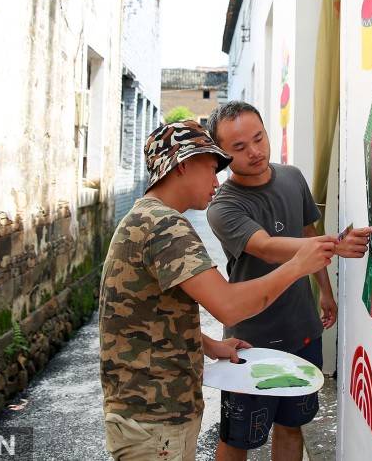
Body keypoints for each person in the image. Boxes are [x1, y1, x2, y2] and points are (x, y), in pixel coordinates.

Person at [99, 120, 337, 461]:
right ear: (182, 166)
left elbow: (145, 315)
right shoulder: (165, 226)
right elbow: (227, 305)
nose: (217, 180)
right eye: (212, 168)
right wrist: (298, 264)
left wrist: (209, 345)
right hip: (155, 415)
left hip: (147, 410)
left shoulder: (146, 217)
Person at [205, 102, 372, 461]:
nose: (255, 151)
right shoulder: (222, 207)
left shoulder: (293, 177)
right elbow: (267, 248)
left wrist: (325, 292)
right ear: (221, 155)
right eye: (239, 147)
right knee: (237, 438)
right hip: (250, 342)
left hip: (302, 331)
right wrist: (335, 245)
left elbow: (307, 231)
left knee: (291, 426)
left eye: (259, 138)